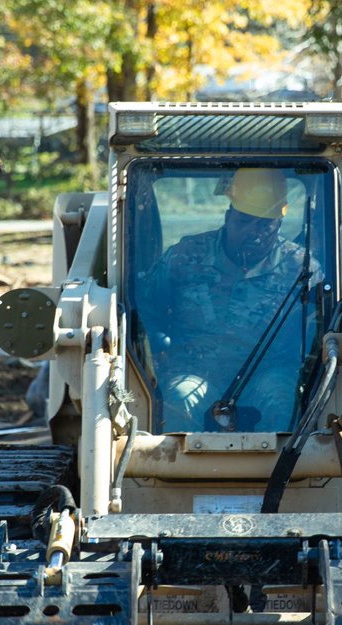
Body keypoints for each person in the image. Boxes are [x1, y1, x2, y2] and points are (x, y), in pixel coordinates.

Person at [137, 168, 322, 431]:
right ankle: (173, 472)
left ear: (278, 224)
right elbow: (144, 308)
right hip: (195, 370)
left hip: (269, 373)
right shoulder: (184, 257)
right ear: (228, 216)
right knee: (179, 398)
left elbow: (320, 327)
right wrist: (155, 354)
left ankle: (282, 472)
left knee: (284, 403)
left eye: (263, 224)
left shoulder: (301, 268)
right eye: (243, 221)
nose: (253, 232)